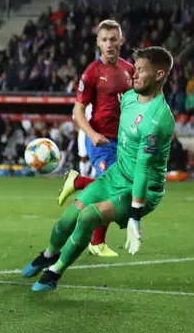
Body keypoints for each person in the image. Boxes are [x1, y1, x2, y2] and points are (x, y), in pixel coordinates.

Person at [22, 47, 175, 292]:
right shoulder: (128, 98)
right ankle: (49, 254)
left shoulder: (158, 119)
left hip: (142, 188)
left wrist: (135, 218)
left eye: (141, 71)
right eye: (134, 69)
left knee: (88, 217)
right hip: (116, 175)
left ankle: (54, 272)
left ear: (158, 75)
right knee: (67, 219)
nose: (134, 75)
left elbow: (144, 170)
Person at [56, 20, 135, 257]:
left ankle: (78, 181)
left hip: (123, 142)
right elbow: (78, 110)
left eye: (113, 39)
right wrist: (91, 134)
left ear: (121, 40)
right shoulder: (92, 72)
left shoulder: (129, 69)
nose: (109, 44)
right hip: (100, 140)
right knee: (114, 190)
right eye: (105, 40)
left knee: (122, 192)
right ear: (98, 42)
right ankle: (96, 241)